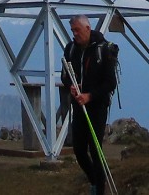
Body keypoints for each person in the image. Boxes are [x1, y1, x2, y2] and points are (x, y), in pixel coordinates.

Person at [60, 15, 116, 195]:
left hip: (97, 105)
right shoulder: (70, 49)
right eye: (72, 31)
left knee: (95, 148)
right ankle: (95, 181)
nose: (74, 34)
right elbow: (65, 75)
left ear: (87, 28)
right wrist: (71, 87)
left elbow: (110, 83)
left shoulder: (103, 49)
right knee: (78, 149)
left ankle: (99, 189)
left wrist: (90, 96)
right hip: (79, 104)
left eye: (77, 30)